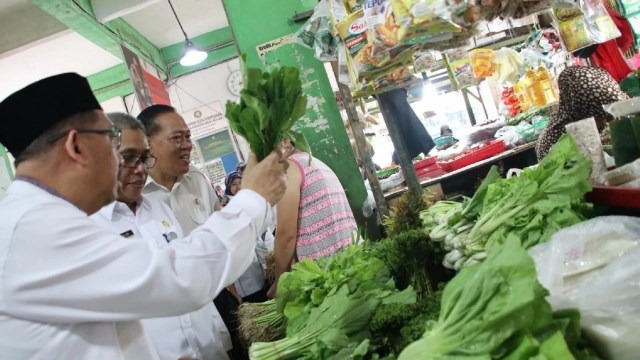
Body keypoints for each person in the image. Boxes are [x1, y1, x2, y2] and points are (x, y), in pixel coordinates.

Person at [0, 73, 287, 358]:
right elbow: (175, 279)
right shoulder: (36, 228)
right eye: (110, 139)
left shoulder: (40, 216)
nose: (128, 164)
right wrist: (253, 198)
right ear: (76, 147)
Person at [91, 112, 230, 359]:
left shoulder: (158, 210)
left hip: (208, 348)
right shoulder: (90, 229)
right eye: (128, 158)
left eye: (144, 158)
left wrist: (220, 335)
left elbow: (189, 276)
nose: (140, 170)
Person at [137, 104, 247, 359]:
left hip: (217, 293)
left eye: (188, 136)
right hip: (173, 312)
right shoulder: (136, 196)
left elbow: (219, 238)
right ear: (148, 143)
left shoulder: (197, 179)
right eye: (177, 138)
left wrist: (233, 294)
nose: (187, 145)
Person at [267, 138, 358, 299]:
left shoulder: (289, 169)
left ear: (286, 142)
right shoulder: (315, 163)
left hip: (328, 278)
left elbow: (286, 235)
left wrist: (280, 282)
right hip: (349, 266)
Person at [536, 66, 629, 160]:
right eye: (603, 117)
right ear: (583, 114)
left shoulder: (575, 118)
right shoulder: (560, 138)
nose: (607, 122)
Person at [224, 170, 273, 303]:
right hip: (243, 275)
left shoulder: (252, 201)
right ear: (228, 187)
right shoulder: (225, 208)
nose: (238, 186)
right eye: (234, 184)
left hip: (260, 268)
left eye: (241, 182)